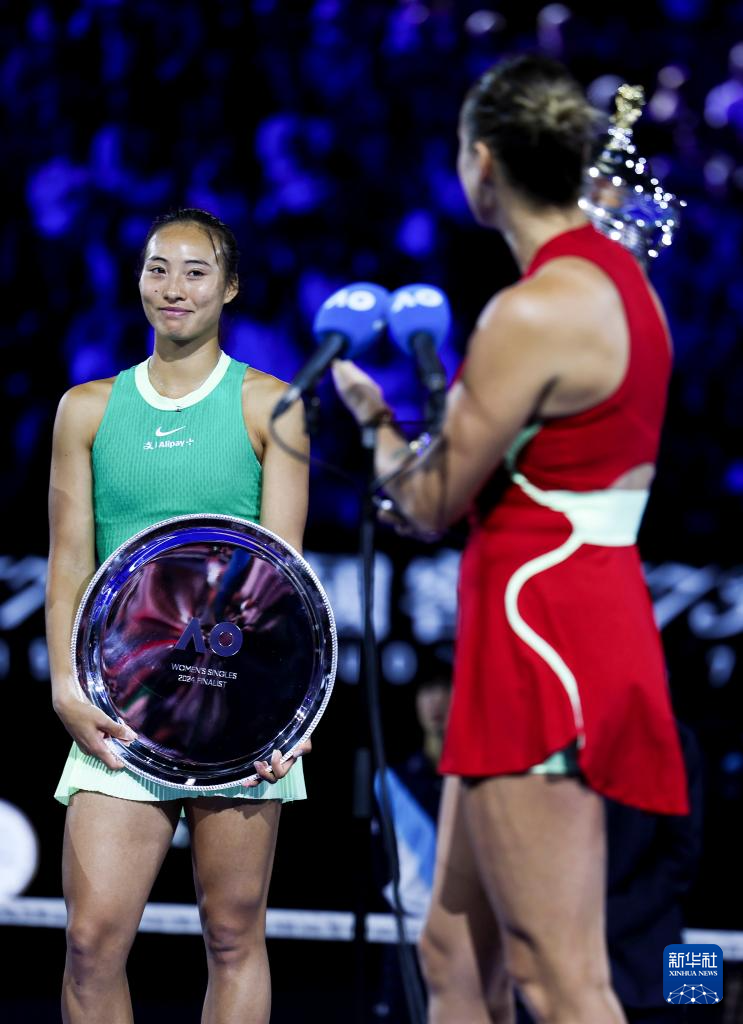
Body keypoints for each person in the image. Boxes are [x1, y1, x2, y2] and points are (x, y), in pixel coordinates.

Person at [332, 55, 690, 1024]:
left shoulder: (530, 311)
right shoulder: (618, 279)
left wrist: (374, 424)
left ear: (482, 162)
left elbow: (427, 501)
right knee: (454, 957)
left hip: (542, 637)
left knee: (556, 976)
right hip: (565, 616)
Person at [46, 208, 310, 1024]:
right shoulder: (86, 409)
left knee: (231, 937)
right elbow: (68, 564)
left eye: (196, 271)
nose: (173, 287)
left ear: (229, 288)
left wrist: (287, 717)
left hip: (239, 715)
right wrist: (65, 688)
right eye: (157, 268)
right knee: (91, 942)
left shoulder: (272, 407)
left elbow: (284, 586)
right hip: (117, 712)